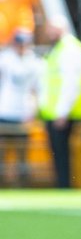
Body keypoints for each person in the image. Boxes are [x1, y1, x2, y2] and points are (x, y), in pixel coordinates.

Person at [37, 17, 81, 189]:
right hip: (54, 111)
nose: (48, 32)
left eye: (52, 28)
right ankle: (63, 184)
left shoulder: (70, 49)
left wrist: (62, 111)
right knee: (58, 153)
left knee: (63, 153)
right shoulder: (58, 49)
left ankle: (65, 186)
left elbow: (71, 83)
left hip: (64, 112)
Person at [0, 29, 40, 186]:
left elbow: (36, 89)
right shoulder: (5, 59)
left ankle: (22, 182)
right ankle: (2, 182)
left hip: (23, 111)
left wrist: (34, 109)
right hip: (5, 109)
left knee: (22, 151)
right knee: (2, 150)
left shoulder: (35, 62)